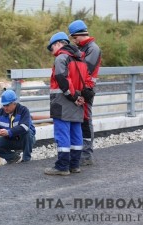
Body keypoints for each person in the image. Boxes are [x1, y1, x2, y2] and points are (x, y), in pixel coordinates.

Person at [44, 32, 94, 176]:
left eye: (51, 47)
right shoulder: (81, 59)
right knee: (76, 133)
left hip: (62, 102)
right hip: (78, 103)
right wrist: (82, 97)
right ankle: (74, 165)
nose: (52, 51)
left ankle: (62, 167)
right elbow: (88, 82)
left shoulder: (61, 57)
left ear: (58, 44)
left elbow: (62, 77)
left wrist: (73, 96)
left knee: (62, 134)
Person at [68, 20, 101, 166]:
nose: (74, 41)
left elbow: (85, 69)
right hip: (79, 89)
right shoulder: (84, 48)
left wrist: (74, 56)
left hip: (86, 90)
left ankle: (87, 154)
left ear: (80, 34)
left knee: (86, 120)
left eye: (74, 38)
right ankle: (80, 152)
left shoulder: (93, 49)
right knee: (79, 120)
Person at [0, 89, 36, 164]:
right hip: (10, 140)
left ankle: (26, 160)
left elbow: (25, 127)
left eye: (7, 105)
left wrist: (9, 132)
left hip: (24, 141)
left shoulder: (23, 110)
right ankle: (12, 157)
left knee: (28, 132)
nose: (5, 108)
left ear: (14, 103)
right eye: (4, 105)